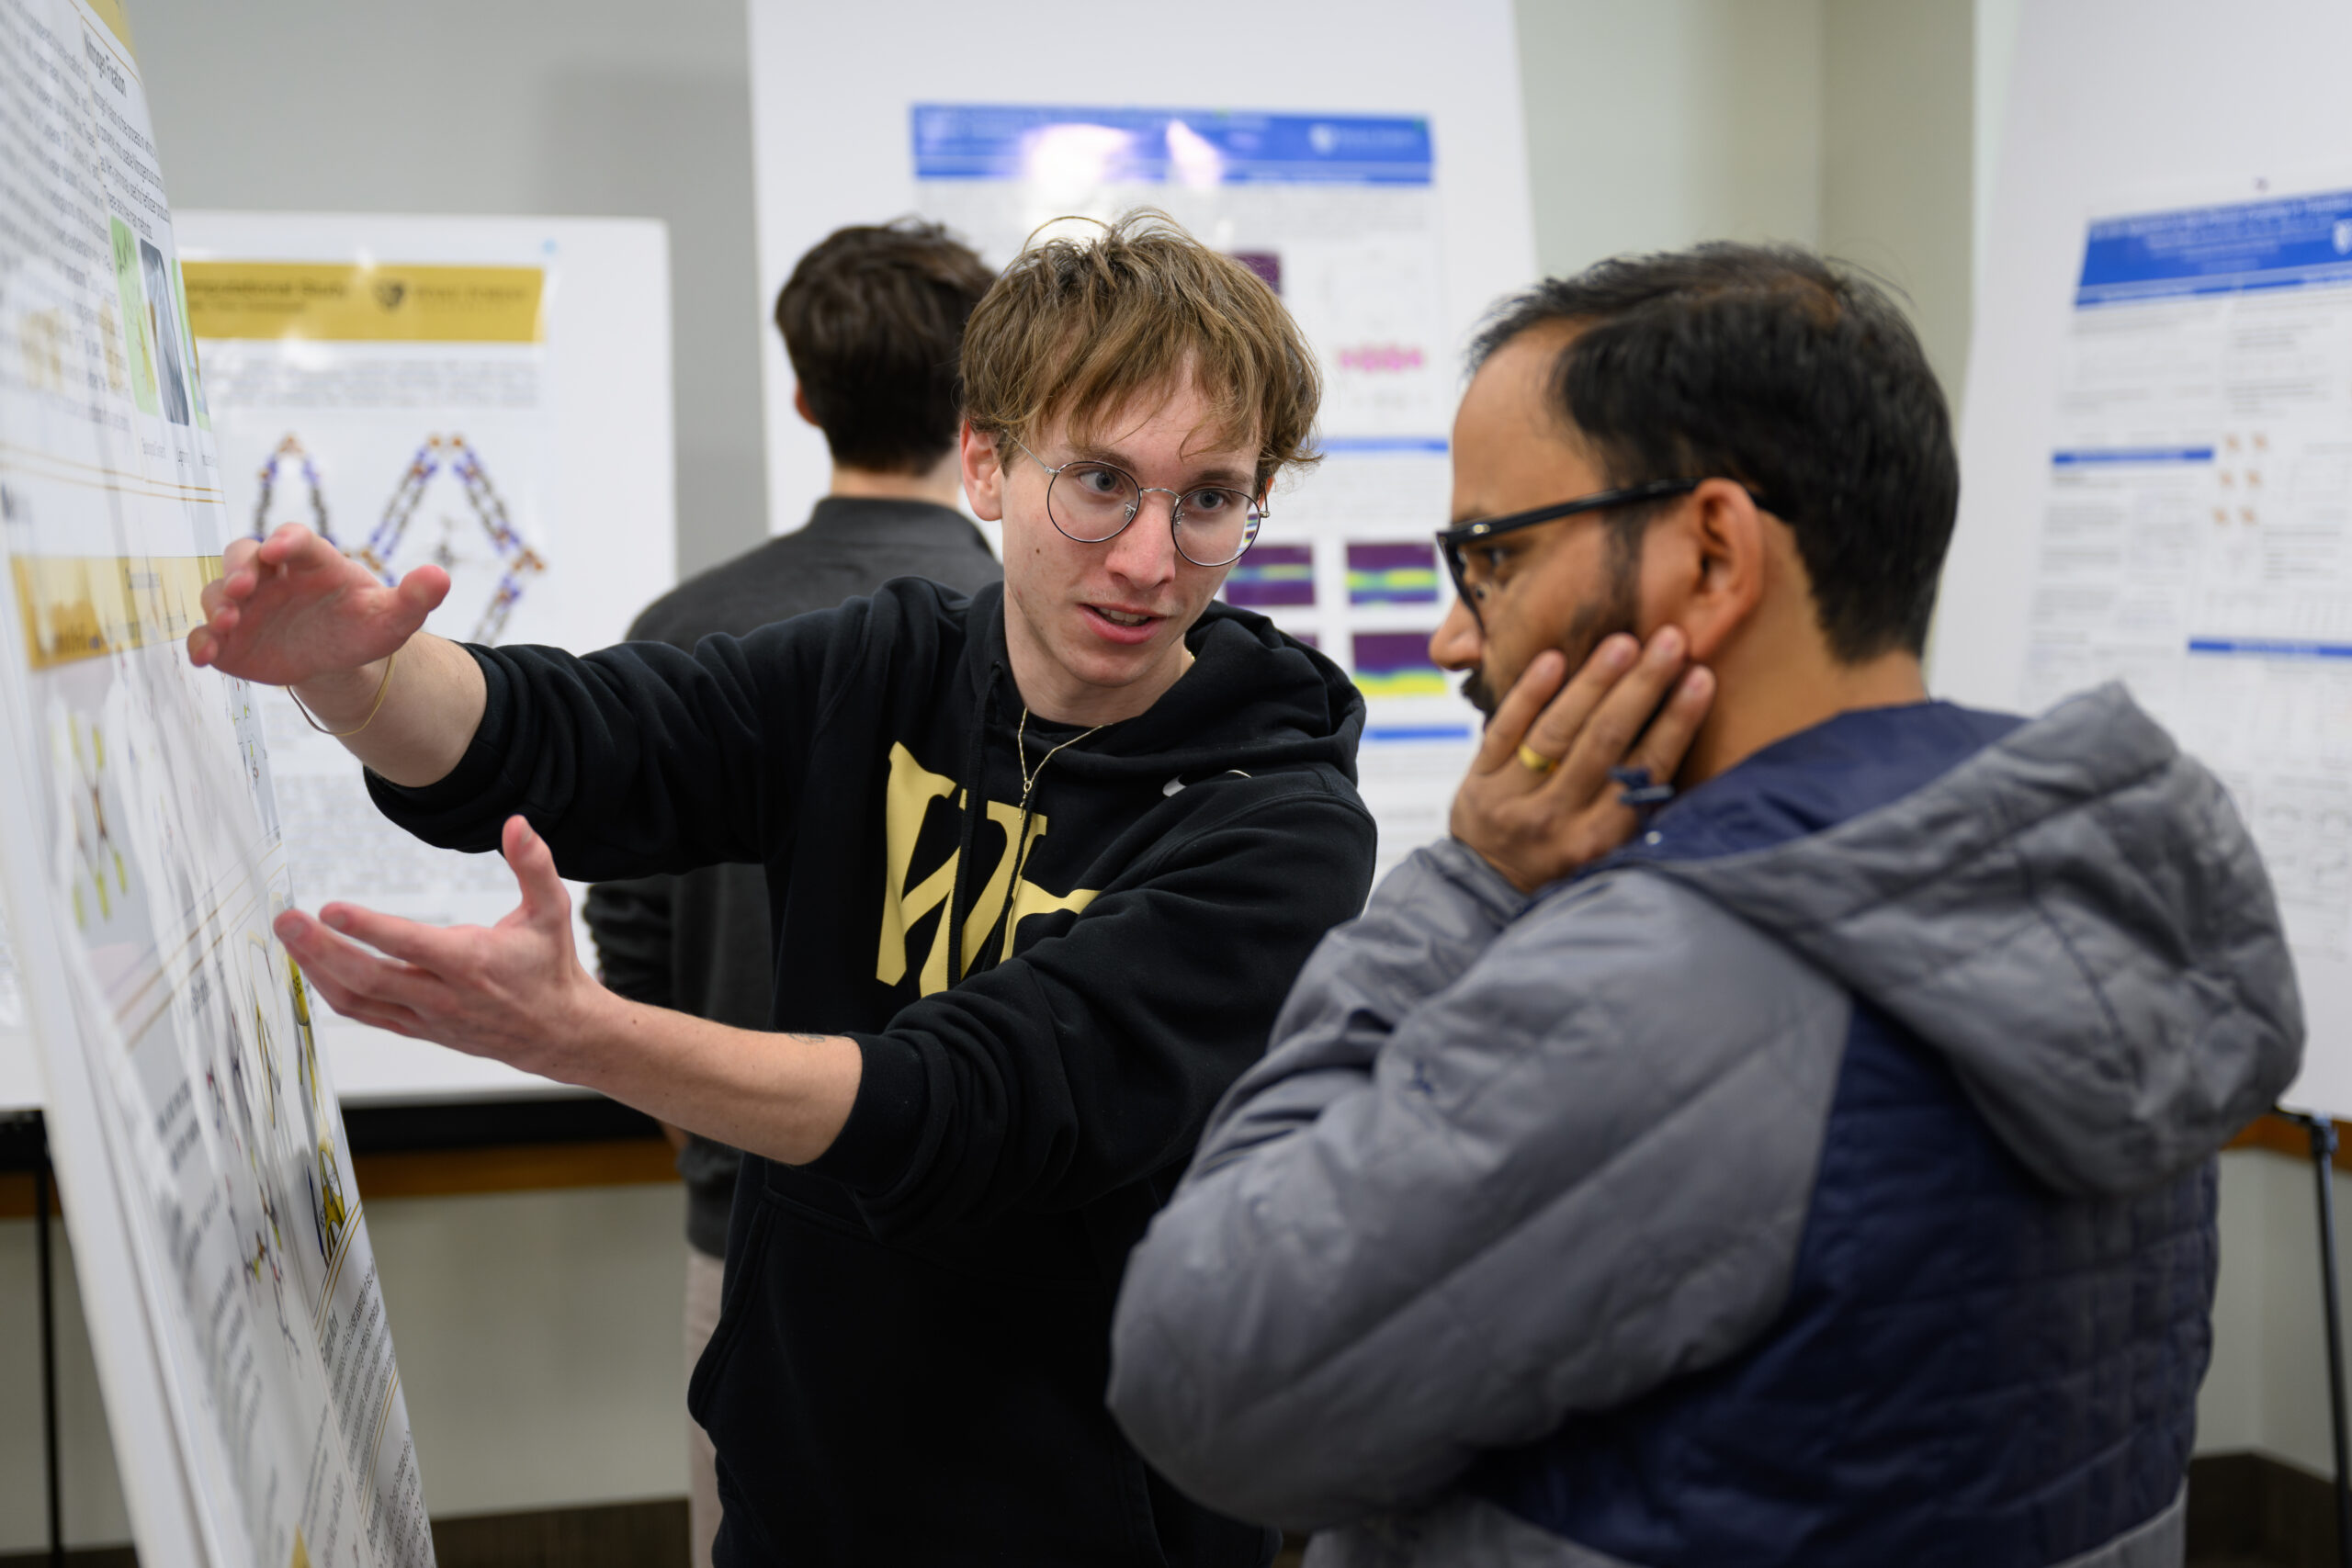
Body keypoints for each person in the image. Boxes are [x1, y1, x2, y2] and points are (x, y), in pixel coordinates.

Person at [187, 213, 1380, 1565]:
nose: (1152, 558)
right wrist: (360, 678)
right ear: (984, 461)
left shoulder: (1279, 823)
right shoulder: (880, 669)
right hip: (800, 1502)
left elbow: (975, 1106)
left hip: (1088, 1527)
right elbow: (584, 737)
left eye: (1210, 498)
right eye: (1100, 481)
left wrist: (586, 1037)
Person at [1104, 243, 2306, 1567]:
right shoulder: (2102, 886)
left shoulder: (1663, 983)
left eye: (1489, 557)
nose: (1456, 636)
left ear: (1714, 551)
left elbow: (1203, 1372)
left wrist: (1466, 887)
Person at [582, 217, 1001, 1568]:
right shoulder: (1057, 642)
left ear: (805, 394)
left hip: (743, 1226)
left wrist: (702, 1109)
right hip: (1004, 1256)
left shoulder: (684, 630)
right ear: (988, 403)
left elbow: (630, 927)